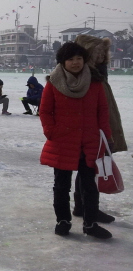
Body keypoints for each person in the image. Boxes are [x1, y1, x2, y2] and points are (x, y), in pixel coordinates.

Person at [40, 42, 113, 239]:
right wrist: (51, 132)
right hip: (62, 141)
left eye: (79, 58)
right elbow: (45, 111)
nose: (75, 62)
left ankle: (90, 224)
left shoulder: (95, 83)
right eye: (70, 59)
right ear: (62, 62)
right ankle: (63, 221)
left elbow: (102, 111)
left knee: (90, 186)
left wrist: (105, 136)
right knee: (61, 185)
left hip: (89, 141)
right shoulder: (53, 83)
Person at [72, 35, 126, 222]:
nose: (102, 56)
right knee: (89, 168)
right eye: (97, 52)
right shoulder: (87, 75)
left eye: (104, 52)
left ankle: (83, 206)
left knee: (88, 168)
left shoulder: (99, 72)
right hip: (93, 130)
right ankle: (86, 207)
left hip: (102, 127)